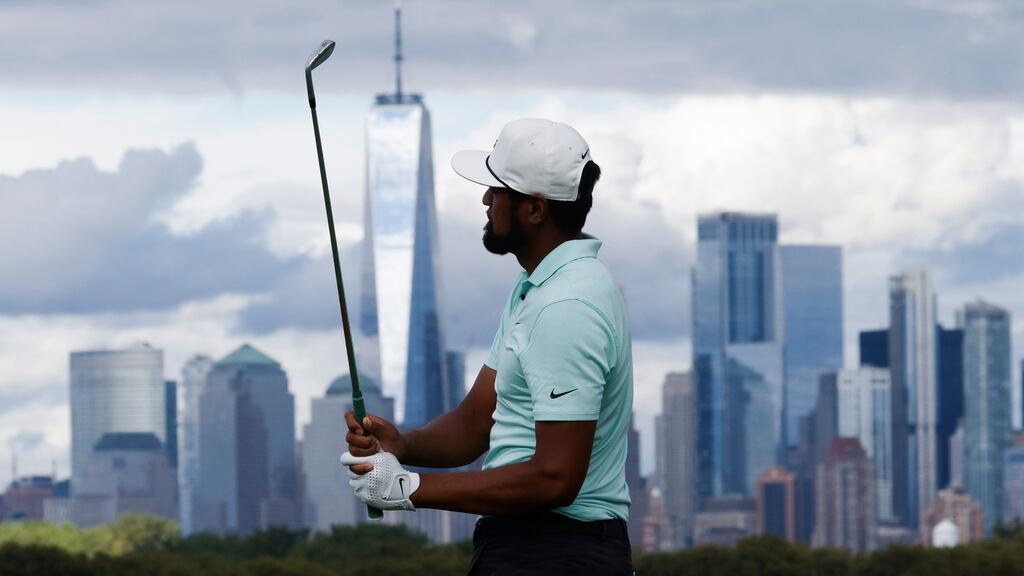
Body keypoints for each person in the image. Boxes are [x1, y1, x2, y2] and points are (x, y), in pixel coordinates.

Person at [342, 118, 634, 575]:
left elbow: (556, 478)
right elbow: (478, 421)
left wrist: (408, 488)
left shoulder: (566, 305)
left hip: (557, 554)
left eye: (497, 190)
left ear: (534, 209)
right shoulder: (537, 288)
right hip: (529, 549)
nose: (486, 200)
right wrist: (403, 445)